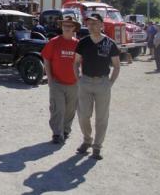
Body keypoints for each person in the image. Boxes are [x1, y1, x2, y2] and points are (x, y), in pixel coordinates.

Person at [73, 13, 120, 160]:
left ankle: (97, 147)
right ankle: (87, 140)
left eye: (94, 23)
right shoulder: (83, 42)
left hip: (102, 83)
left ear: (101, 25)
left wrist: (110, 83)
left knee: (102, 117)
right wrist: (78, 79)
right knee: (83, 115)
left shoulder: (110, 43)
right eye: (89, 23)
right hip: (85, 82)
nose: (91, 26)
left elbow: (117, 66)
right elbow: (76, 62)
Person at [42, 16, 80, 144]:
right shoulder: (54, 42)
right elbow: (46, 59)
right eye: (65, 25)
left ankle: (65, 130)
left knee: (70, 109)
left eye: (70, 26)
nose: (67, 28)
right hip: (57, 82)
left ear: (74, 28)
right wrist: (49, 78)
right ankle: (57, 133)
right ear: (61, 27)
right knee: (58, 109)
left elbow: (83, 62)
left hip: (73, 83)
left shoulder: (78, 44)